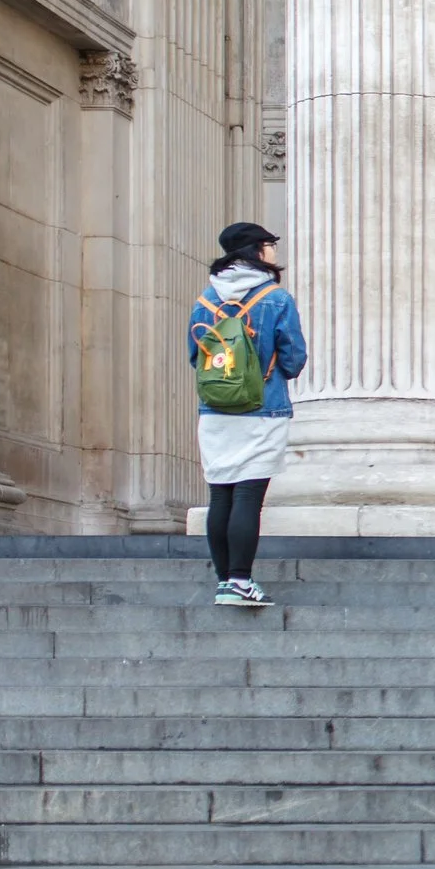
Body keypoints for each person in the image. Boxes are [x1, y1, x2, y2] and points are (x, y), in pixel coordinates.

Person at [187, 222, 306, 607]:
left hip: (216, 411)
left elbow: (196, 355)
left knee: (221, 496)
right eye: (269, 245)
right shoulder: (276, 299)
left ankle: (225, 581)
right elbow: (294, 357)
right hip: (261, 410)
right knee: (248, 497)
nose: (273, 251)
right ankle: (241, 580)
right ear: (257, 250)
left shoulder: (205, 299)